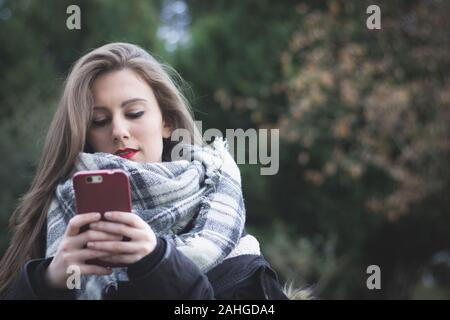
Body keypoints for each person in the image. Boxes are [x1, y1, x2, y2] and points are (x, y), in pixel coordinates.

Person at [0, 43, 288, 300]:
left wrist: (158, 262)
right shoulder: (55, 229)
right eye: (99, 121)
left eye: (134, 113)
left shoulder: (221, 226)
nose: (119, 131)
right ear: (85, 135)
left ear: (168, 121)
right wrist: (47, 281)